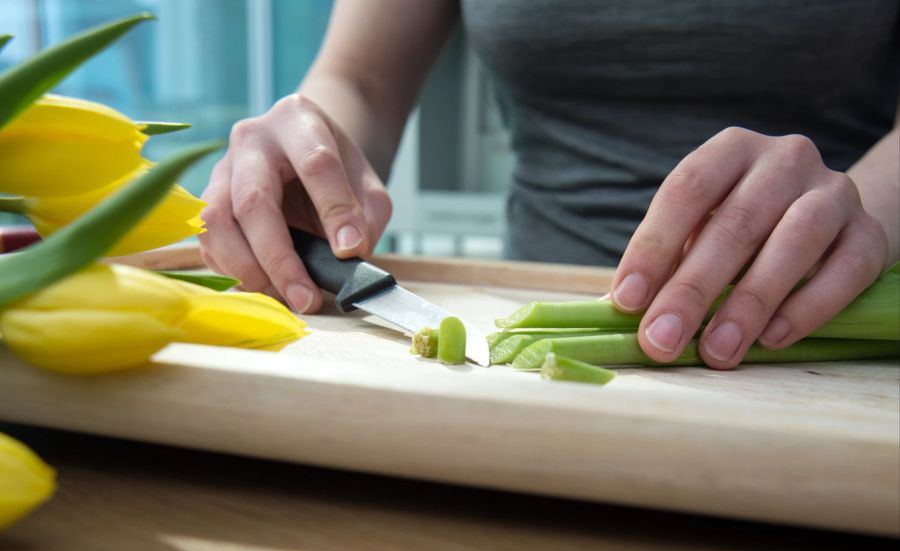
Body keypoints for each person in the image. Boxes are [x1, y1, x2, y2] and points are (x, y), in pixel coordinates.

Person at [198, 0, 899, 369]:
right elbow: (360, 79)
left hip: (813, 308)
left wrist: (850, 215)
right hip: (526, 292)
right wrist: (313, 144)